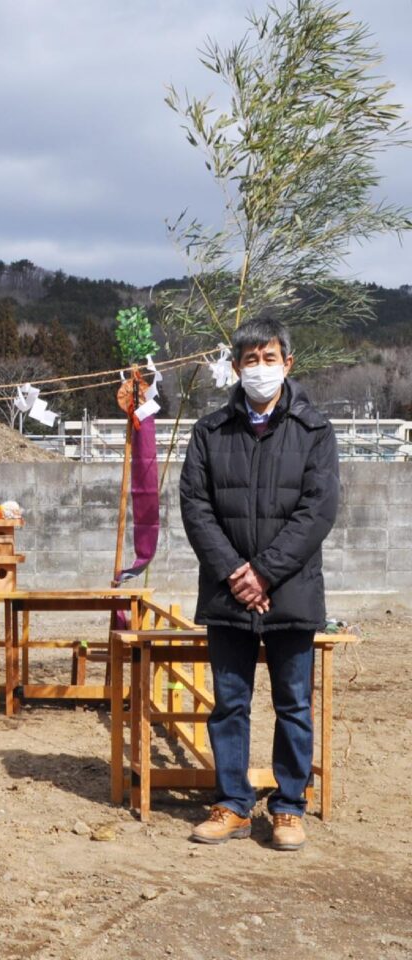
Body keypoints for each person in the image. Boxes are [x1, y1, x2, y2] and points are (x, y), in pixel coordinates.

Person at [179, 316, 338, 851]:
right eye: (251, 360)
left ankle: (289, 807)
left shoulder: (314, 430)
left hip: (290, 588)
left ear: (288, 364)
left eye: (270, 359)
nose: (261, 369)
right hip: (227, 590)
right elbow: (195, 507)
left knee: (293, 702)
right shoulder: (210, 431)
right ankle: (232, 803)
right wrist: (235, 572)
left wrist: (264, 572)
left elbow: (318, 510)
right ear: (235, 366)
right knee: (229, 702)